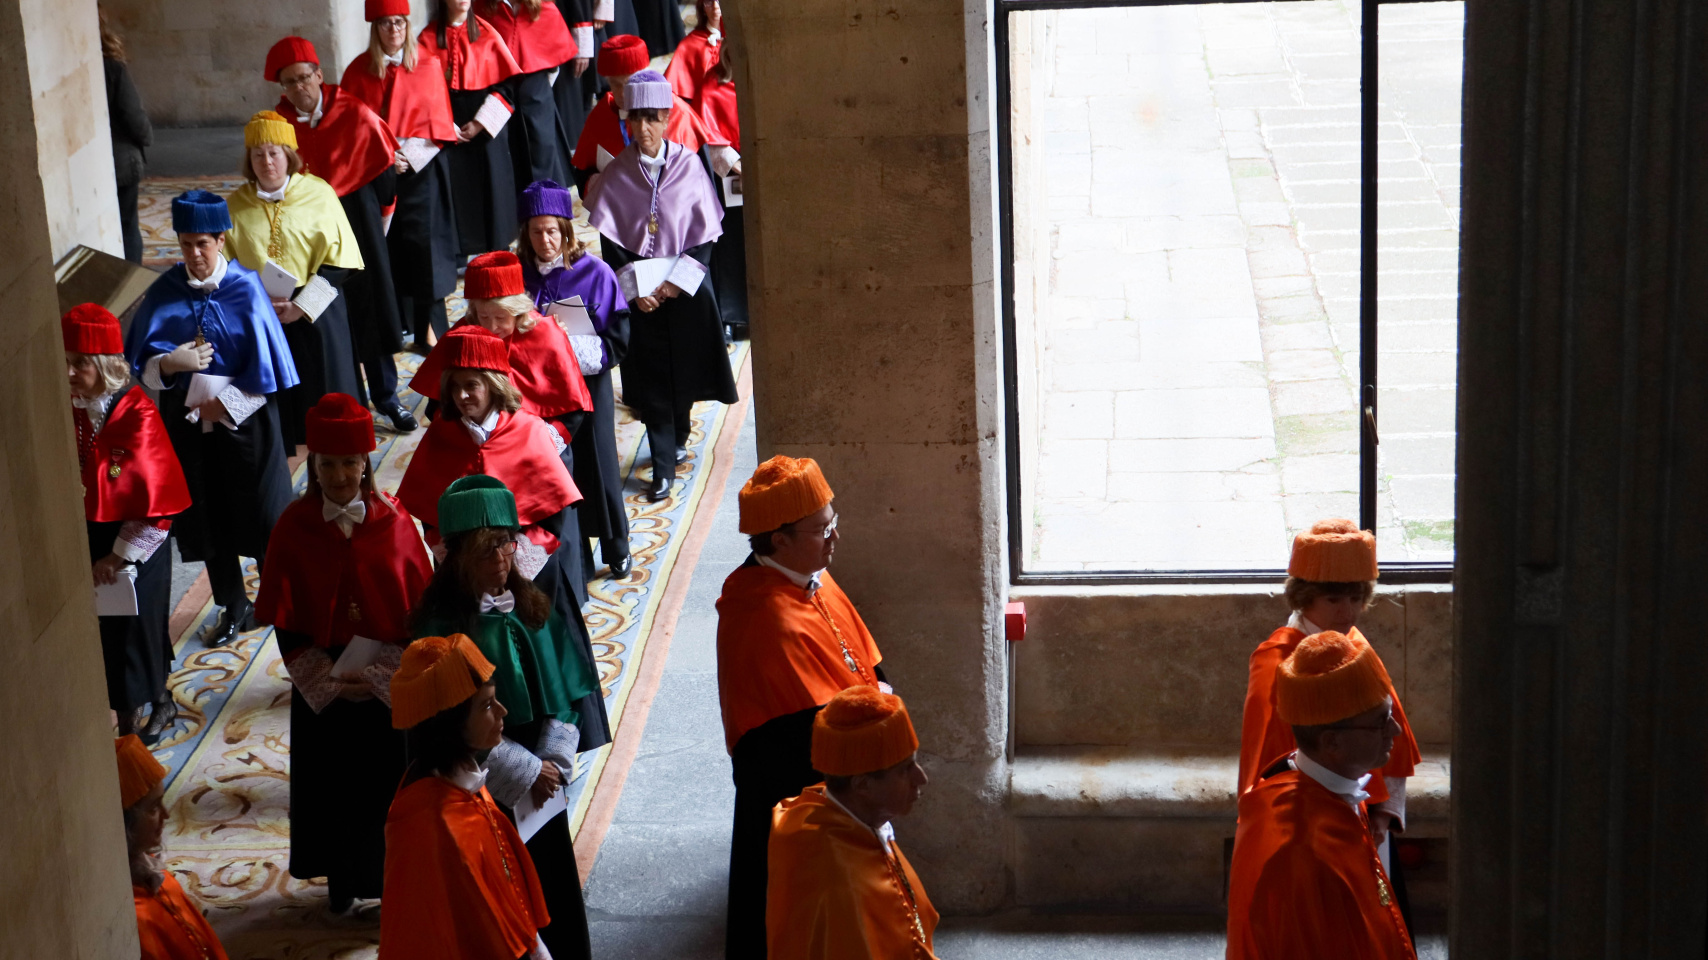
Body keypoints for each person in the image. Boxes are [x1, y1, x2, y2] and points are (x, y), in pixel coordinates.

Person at [253, 393, 433, 914]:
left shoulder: (395, 524)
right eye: (327, 465)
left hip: (384, 687)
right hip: (324, 683)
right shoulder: (292, 527)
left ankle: (388, 879)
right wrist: (327, 679)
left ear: (365, 464)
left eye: (348, 464)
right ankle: (339, 881)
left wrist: (378, 675)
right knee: (333, 789)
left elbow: (417, 616)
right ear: (314, 466)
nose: (338, 476)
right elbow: (286, 623)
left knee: (385, 787)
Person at [394, 327, 612, 755]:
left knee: (548, 664)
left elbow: (555, 511)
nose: (461, 397)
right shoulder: (439, 437)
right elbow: (428, 516)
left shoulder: (529, 431)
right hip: (465, 583)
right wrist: (459, 560)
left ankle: (552, 748)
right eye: (453, 387)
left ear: (493, 384)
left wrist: (516, 562)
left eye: (470, 385)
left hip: (532, 575)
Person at [410, 476, 601, 959]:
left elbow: (565, 686)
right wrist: (527, 771)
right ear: (454, 557)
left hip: (542, 769)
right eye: (485, 550)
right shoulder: (439, 627)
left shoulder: (531, 606)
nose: (501, 560)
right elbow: (450, 727)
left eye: (506, 545)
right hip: (487, 779)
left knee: (553, 881)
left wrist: (553, 757)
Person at [715, 455, 888, 958]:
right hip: (795, 789)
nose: (834, 538)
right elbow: (800, 727)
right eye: (821, 530)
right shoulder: (762, 615)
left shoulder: (809, 573)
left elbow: (863, 656)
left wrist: (883, 691)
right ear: (778, 540)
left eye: (834, 523)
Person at [124, 190, 298, 648]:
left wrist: (228, 405)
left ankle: (282, 599)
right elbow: (143, 365)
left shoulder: (246, 289)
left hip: (247, 424)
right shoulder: (165, 292)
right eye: (185, 245)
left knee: (262, 515)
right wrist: (171, 364)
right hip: (189, 428)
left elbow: (270, 371)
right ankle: (233, 604)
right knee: (206, 515)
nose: (194, 255)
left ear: (222, 240)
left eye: (202, 244)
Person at [1237, 519, 1421, 891]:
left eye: (1355, 598)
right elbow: (1268, 757)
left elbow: (1392, 731)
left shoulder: (1356, 645)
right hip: (1303, 825)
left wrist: (1385, 811)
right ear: (1304, 598)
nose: (1347, 612)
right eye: (1333, 599)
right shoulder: (1276, 661)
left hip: (1366, 811)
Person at [582, 69, 737, 502]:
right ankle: (663, 465)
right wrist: (638, 289)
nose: (644, 129)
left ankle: (680, 431)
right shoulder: (617, 174)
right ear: (626, 122)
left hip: (685, 294)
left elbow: (706, 239)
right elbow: (613, 246)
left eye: (652, 118)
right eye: (636, 119)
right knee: (652, 386)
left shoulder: (689, 166)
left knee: (683, 378)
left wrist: (673, 285)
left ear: (667, 118)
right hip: (641, 300)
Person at [410, 251, 596, 600]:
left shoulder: (545, 335)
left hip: (538, 452)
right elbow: (439, 405)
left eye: (501, 317)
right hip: (472, 449)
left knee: (551, 534)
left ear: (519, 309)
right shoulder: (462, 338)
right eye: (484, 316)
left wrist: (542, 442)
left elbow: (572, 409)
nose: (492, 327)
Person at [1226, 630, 1417, 960]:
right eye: (1381, 722)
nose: (1396, 731)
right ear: (1332, 742)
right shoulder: (1297, 854)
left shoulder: (1329, 788)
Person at [266, 36, 416, 434]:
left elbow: (385, 177)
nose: (300, 88)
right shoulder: (278, 127)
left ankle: (387, 398)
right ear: (282, 87)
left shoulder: (353, 113)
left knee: (372, 314)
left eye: (304, 78)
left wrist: (378, 221)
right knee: (329, 316)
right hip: (311, 236)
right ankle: (347, 401)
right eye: (290, 82)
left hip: (360, 226)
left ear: (318, 74)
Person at [379, 634, 553, 960]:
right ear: (451, 725)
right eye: (486, 705)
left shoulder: (459, 775)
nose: (502, 712)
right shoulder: (433, 825)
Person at [66, 304, 191, 740]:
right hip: (91, 532)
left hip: (137, 539)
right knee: (105, 634)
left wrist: (117, 558)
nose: (70, 373)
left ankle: (147, 713)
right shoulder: (74, 408)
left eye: (79, 363)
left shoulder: (137, 413)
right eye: (66, 362)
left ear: (103, 364)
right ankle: (138, 710)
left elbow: (157, 502)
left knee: (136, 632)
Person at [224, 110, 365, 453]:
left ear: (288, 155)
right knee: (279, 411)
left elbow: (340, 262)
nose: (267, 162)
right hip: (263, 314)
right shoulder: (235, 205)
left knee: (327, 402)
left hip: (316, 314)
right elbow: (225, 267)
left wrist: (302, 306)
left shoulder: (320, 194)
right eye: (258, 155)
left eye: (274, 153)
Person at [516, 179, 632, 579]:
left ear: (566, 229)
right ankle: (576, 557)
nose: (545, 240)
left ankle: (617, 546)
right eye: (536, 231)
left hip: (587, 385)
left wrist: (578, 349)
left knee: (598, 464)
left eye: (552, 230)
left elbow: (618, 335)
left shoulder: (594, 272)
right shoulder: (518, 275)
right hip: (540, 393)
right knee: (559, 474)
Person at [768, 686, 938, 959]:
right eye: (905, 769)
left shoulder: (844, 817)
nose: (921, 779)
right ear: (863, 785)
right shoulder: (837, 884)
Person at [341, 0, 465, 352]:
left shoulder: (427, 64)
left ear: (408, 27)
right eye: (385, 24)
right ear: (374, 29)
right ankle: (393, 327)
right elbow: (352, 129)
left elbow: (438, 124)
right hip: (377, 176)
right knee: (385, 253)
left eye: (399, 23)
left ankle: (429, 328)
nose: (393, 30)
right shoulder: (357, 72)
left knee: (425, 252)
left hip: (421, 173)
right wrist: (384, 158)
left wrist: (409, 156)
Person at [567, 35, 736, 197]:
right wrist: (603, 182)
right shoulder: (601, 116)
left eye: (628, 84)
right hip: (621, 216)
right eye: (615, 85)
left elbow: (702, 180)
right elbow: (583, 176)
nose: (623, 94)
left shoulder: (676, 111)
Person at [420, 0, 522, 257]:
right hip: (447, 125)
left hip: (484, 127)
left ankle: (497, 246)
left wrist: (481, 123)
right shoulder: (427, 38)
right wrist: (444, 124)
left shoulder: (487, 33)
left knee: (492, 185)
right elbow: (419, 91)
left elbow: (506, 87)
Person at [116, 734, 232, 960]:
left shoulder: (158, 877)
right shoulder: (134, 920)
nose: (167, 815)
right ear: (123, 824)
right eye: (153, 809)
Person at [474, 0, 578, 189]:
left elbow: (552, 68)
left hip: (537, 97)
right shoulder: (482, 8)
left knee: (542, 155)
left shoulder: (543, 7)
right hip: (500, 99)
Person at [101, 11, 152, 264]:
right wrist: (146, 137)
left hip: (97, 162)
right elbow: (133, 113)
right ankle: (131, 283)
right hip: (122, 160)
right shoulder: (112, 67)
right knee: (127, 224)